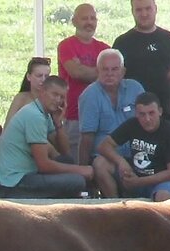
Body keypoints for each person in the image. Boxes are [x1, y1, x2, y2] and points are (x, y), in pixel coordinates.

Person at [0, 76, 93, 199]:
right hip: (13, 184)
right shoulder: (35, 116)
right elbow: (44, 165)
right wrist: (80, 170)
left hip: (26, 175)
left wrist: (58, 124)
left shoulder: (43, 114)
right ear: (42, 92)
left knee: (67, 162)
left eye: (62, 97)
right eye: (54, 94)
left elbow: (64, 152)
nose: (58, 100)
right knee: (77, 181)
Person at [97, 92, 170, 201]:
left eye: (151, 113)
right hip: (135, 176)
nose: (147, 119)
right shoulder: (132, 124)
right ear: (136, 114)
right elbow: (104, 146)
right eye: (142, 114)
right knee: (100, 163)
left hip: (163, 182)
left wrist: (138, 182)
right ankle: (116, 206)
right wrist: (121, 162)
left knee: (163, 196)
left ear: (160, 112)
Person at [77, 48, 143, 170]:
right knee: (100, 165)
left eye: (115, 69)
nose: (109, 73)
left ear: (123, 71)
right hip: (104, 157)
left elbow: (147, 122)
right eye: (105, 69)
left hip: (137, 155)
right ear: (97, 71)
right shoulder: (89, 95)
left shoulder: (135, 88)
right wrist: (83, 170)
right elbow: (86, 137)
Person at [112, 0, 170, 122]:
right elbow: (113, 81)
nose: (144, 14)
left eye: (148, 9)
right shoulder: (122, 42)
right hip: (135, 115)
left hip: (167, 112)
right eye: (139, 10)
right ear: (132, 12)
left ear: (155, 9)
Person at [58, 4, 109, 154]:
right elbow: (76, 73)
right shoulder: (66, 45)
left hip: (101, 115)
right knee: (75, 162)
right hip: (74, 116)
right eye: (84, 18)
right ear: (74, 21)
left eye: (93, 18)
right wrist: (102, 71)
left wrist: (87, 70)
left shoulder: (105, 48)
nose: (89, 22)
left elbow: (114, 76)